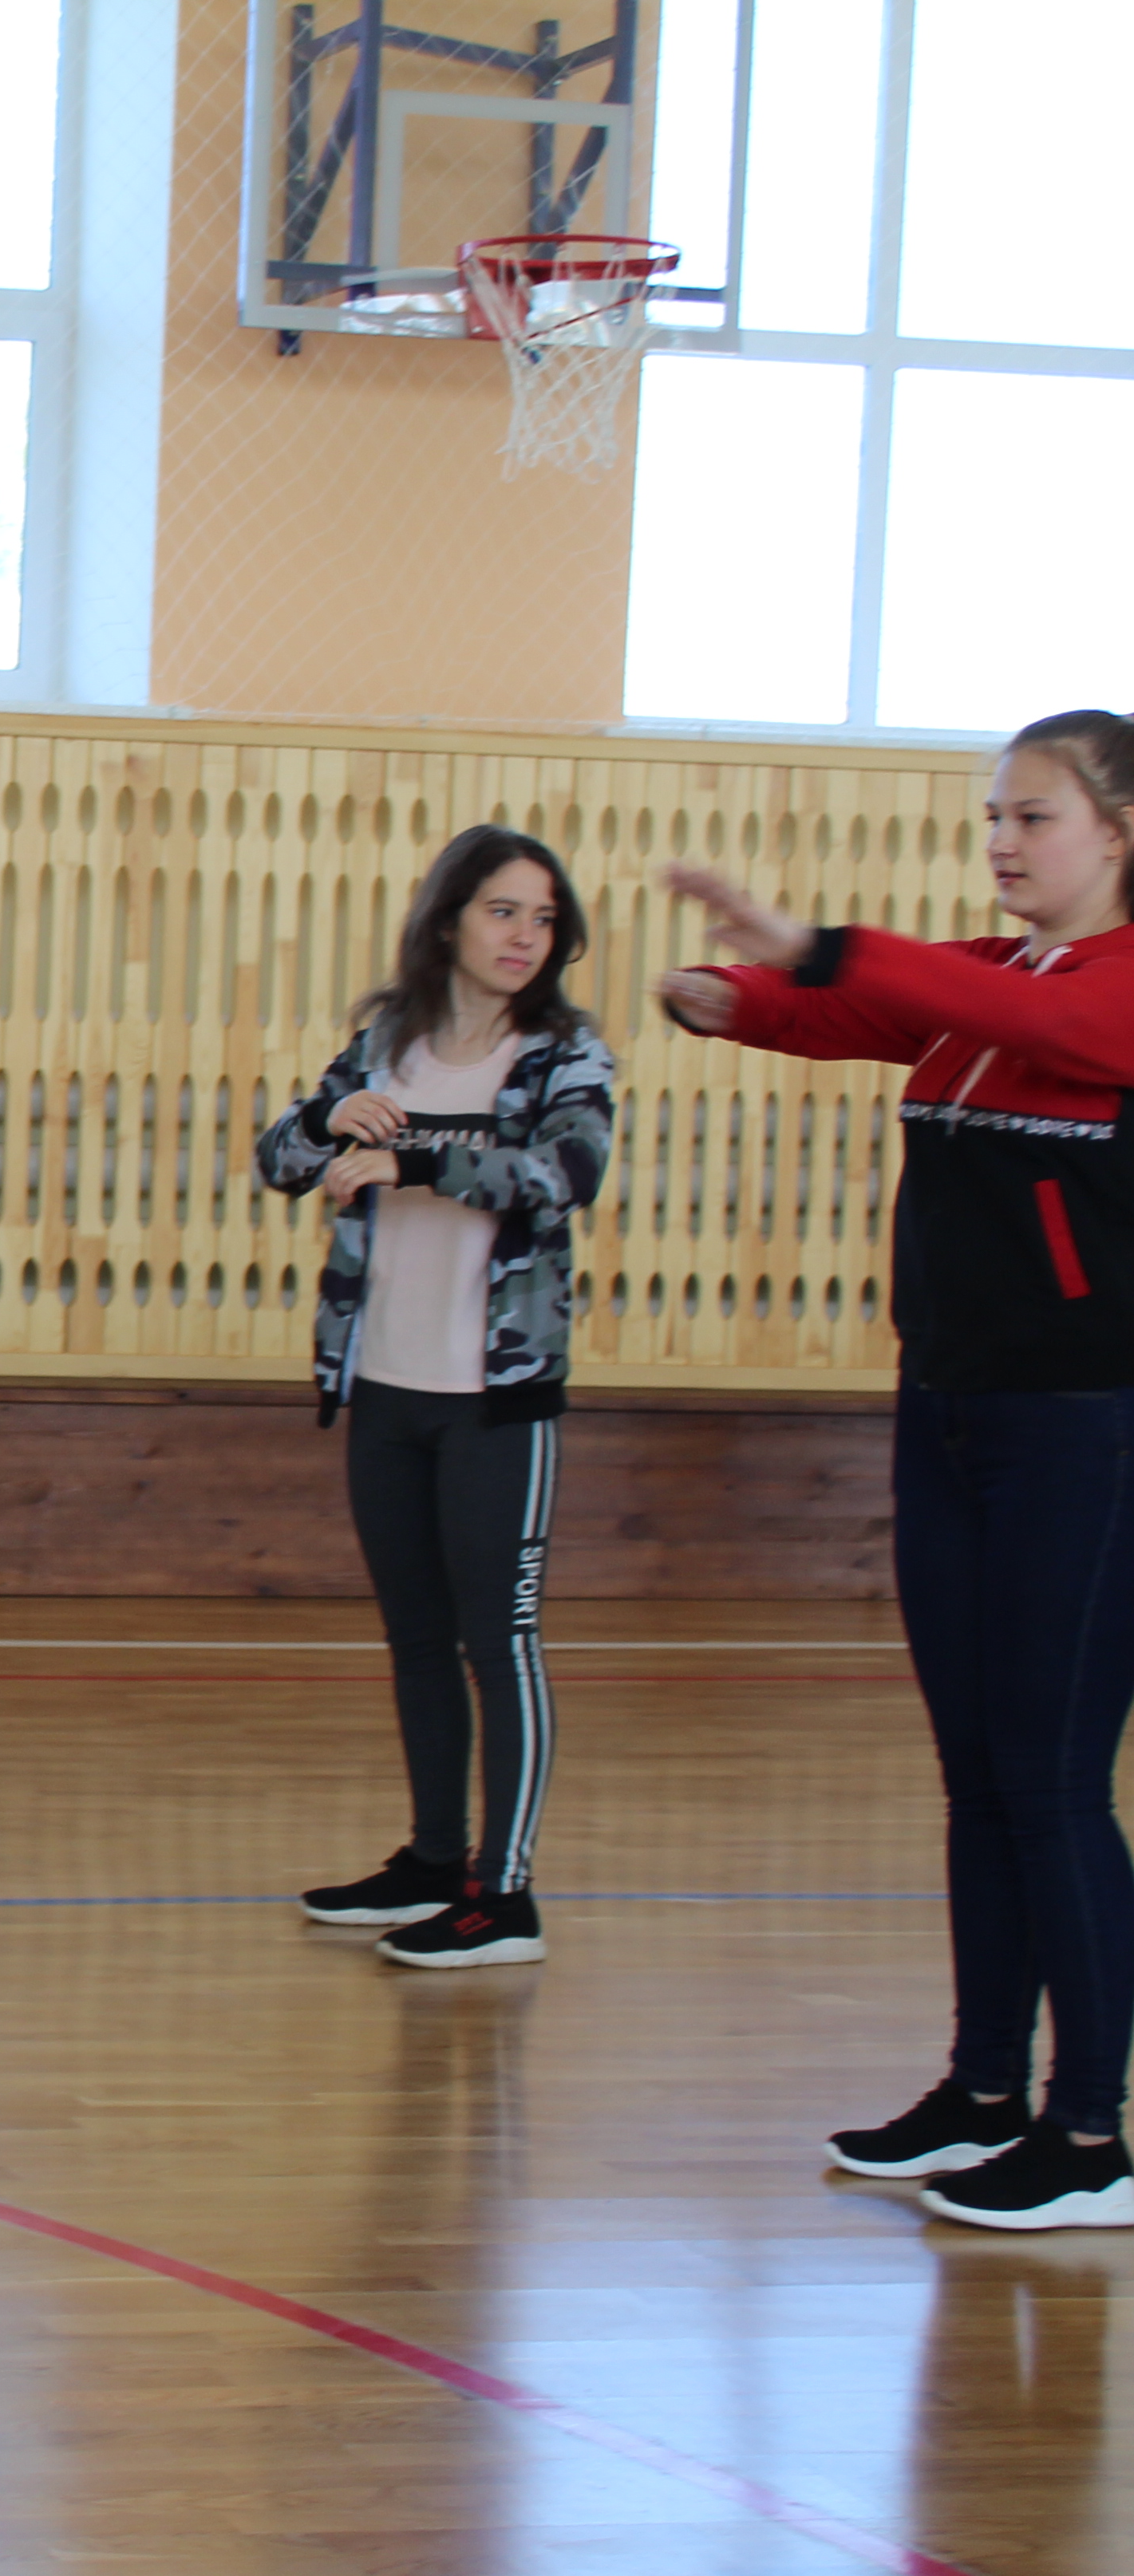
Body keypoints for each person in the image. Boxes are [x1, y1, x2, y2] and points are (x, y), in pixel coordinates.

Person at [661, 708, 1134, 2231]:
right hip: (944, 1411)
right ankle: (980, 2088)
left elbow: (919, 988)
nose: (999, 840)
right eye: (991, 815)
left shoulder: (1107, 992)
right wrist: (729, 996)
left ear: (1118, 833)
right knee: (977, 1772)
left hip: (1081, 1430)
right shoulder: (997, 981)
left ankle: (1087, 2132)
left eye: (1031, 816)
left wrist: (806, 947)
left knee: (1051, 1781)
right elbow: (868, 1012)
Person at [259, 826, 614, 1971]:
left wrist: (414, 1161)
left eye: (544, 918)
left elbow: (564, 1174)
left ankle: (505, 1896)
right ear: (450, 918)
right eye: (504, 911)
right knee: (416, 1637)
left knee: (498, 1641)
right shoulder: (388, 1046)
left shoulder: (564, 1054)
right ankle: (433, 1859)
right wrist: (327, 1124)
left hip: (495, 1398)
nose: (525, 935)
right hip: (386, 1387)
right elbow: (278, 1157)